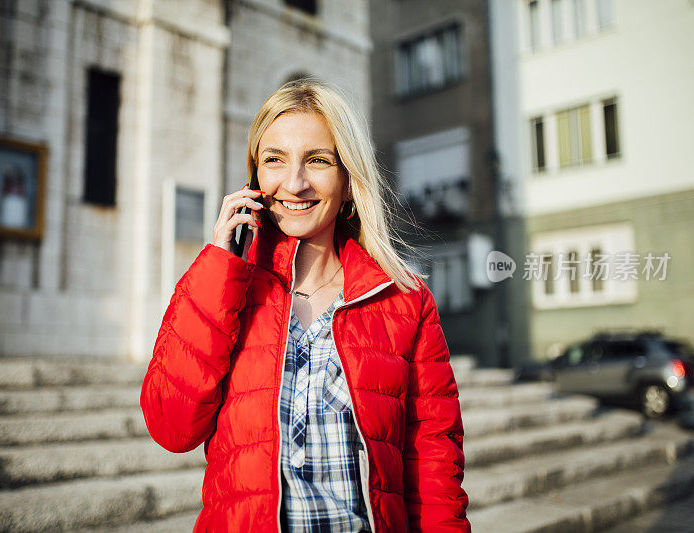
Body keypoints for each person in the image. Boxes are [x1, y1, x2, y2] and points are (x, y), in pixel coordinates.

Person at [140, 78, 470, 532]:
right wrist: (221, 267)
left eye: (317, 160)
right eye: (274, 160)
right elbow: (171, 427)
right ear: (254, 179)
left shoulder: (405, 301)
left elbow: (434, 463)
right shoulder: (224, 290)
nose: (293, 184)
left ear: (349, 181)